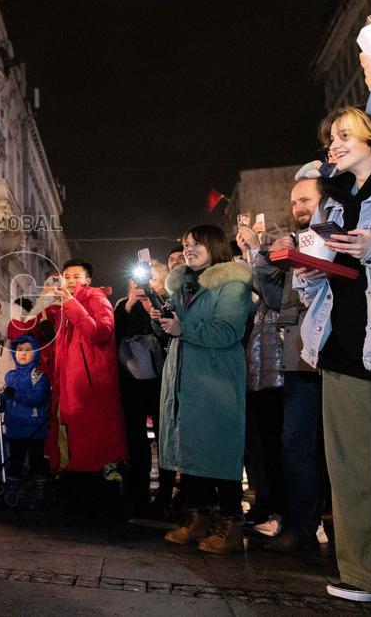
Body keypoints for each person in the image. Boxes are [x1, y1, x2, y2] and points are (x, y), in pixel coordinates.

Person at [295, 106, 371, 602]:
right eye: (330, 137)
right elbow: (311, 275)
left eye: (345, 134)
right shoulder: (328, 204)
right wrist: (308, 272)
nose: (333, 143)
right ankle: (367, 577)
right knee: (353, 471)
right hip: (340, 350)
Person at [153, 225, 252, 554]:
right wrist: (163, 320)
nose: (189, 249)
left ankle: (230, 523)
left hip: (216, 380)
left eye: (196, 244)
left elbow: (227, 331)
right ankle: (197, 518)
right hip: (184, 377)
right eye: (186, 244)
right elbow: (178, 329)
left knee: (220, 451)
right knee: (190, 449)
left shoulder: (232, 283)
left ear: (215, 245)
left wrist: (184, 327)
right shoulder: (183, 285)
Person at [244, 177, 328, 553]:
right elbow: (281, 301)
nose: (298, 208)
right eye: (293, 202)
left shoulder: (338, 238)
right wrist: (261, 256)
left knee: (332, 450)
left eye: (305, 200)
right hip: (298, 360)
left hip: (336, 357)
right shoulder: (297, 244)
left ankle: (335, 526)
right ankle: (303, 528)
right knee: (295, 446)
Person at [37, 259, 127, 514]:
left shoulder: (97, 299)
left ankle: (103, 504)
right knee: (70, 446)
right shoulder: (61, 308)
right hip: (67, 389)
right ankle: (75, 501)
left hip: (92, 390)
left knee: (96, 447)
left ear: (88, 280)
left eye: (77, 276)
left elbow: (100, 333)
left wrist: (70, 303)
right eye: (66, 276)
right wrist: (43, 305)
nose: (71, 280)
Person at [235, 223, 287, 536]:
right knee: (261, 448)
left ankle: (286, 512)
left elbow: (274, 295)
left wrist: (255, 251)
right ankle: (266, 505)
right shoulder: (255, 281)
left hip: (280, 373)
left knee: (281, 447)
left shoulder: (280, 277)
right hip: (255, 376)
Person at [114, 262, 171, 518]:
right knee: (135, 441)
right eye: (137, 280)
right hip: (131, 383)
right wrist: (128, 305)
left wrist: (154, 308)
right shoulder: (122, 306)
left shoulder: (167, 303)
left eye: (151, 279)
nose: (142, 285)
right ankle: (135, 494)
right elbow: (110, 337)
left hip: (161, 382)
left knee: (165, 439)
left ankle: (165, 497)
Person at [0, 334, 50, 509]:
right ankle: (13, 489)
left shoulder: (38, 376)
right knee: (16, 460)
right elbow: (6, 395)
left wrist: (15, 395)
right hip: (16, 426)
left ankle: (41, 492)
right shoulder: (11, 375)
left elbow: (39, 397)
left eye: (28, 350)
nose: (23, 354)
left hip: (34, 428)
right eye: (19, 350)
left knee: (36, 461)